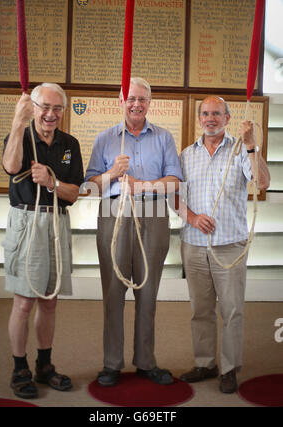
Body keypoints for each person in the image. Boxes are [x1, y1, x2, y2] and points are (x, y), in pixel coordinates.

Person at [85, 77, 183, 387]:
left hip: (153, 213)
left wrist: (143, 185)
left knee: (148, 291)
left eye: (142, 99)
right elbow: (88, 187)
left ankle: (145, 361)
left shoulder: (164, 138)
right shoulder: (105, 139)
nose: (136, 104)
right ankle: (112, 363)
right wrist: (112, 174)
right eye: (131, 98)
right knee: (114, 292)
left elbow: (174, 181)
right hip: (115, 213)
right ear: (121, 101)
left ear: (149, 103)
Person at [178, 96, 270, 393]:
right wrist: (191, 217)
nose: (210, 118)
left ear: (227, 118)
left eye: (216, 113)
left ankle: (230, 368)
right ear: (199, 118)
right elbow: (173, 199)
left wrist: (252, 145)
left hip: (229, 244)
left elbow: (263, 182)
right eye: (205, 113)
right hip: (193, 245)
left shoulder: (242, 149)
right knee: (200, 309)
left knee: (231, 310)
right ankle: (206, 362)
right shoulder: (186, 155)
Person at [2, 83, 84, 399]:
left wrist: (52, 181)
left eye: (57, 108)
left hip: (56, 221)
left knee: (50, 300)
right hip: (26, 221)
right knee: (24, 301)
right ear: (33, 107)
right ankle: (19, 367)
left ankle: (44, 365)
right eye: (44, 107)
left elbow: (74, 193)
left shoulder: (69, 143)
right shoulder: (21, 135)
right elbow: (10, 167)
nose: (50, 114)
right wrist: (17, 122)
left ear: (63, 111)